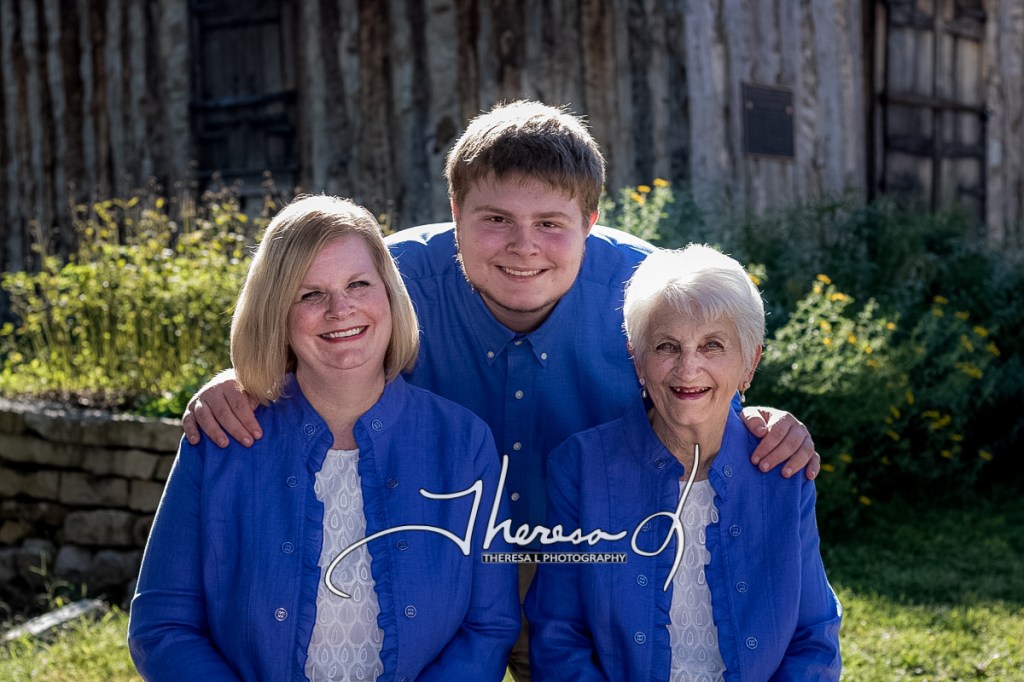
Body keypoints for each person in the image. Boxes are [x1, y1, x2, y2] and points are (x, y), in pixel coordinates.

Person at [180, 101, 821, 680]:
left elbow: (702, 389)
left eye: (550, 223)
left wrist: (762, 420)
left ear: (591, 220)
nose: (523, 247)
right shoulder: (387, 282)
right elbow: (305, 328)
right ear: (455, 211)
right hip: (428, 573)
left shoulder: (650, 295)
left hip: (597, 575)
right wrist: (236, 381)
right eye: (495, 219)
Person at [128, 195, 520, 681]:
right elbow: (162, 626)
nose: (340, 309)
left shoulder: (464, 442)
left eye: (358, 284)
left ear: (389, 293)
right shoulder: (220, 438)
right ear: (276, 312)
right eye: (310, 294)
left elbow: (488, 626)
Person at [525, 245, 842, 680]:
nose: (688, 369)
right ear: (637, 360)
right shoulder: (581, 467)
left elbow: (814, 635)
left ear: (750, 363)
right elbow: (559, 637)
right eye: (666, 346)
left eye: (712, 345)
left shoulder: (782, 466)